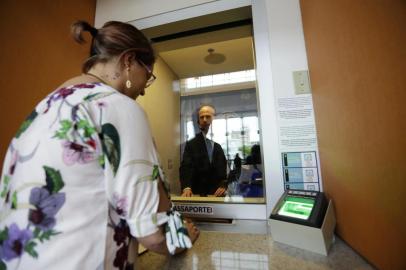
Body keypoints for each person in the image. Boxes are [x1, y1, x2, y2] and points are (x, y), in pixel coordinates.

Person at [0, 21, 199, 270]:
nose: (144, 91)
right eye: (147, 77)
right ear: (129, 61)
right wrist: (183, 236)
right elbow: (153, 232)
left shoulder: (43, 108)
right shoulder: (118, 106)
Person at [180, 105, 227, 197]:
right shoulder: (191, 145)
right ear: (198, 121)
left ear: (213, 119)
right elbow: (186, 166)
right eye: (202, 117)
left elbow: (223, 169)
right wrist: (187, 187)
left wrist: (223, 184)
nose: (204, 120)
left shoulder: (218, 144)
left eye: (208, 116)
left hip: (216, 193)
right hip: (196, 193)